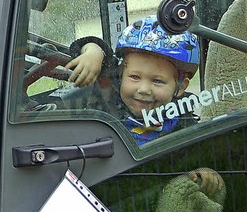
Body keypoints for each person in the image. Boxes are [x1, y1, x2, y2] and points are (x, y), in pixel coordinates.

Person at [65, 16, 200, 145]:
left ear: (181, 87)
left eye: (157, 81)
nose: (144, 89)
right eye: (135, 77)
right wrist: (93, 53)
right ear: (120, 74)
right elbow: (96, 49)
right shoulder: (109, 99)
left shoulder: (184, 124)